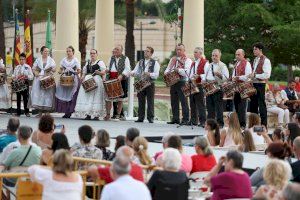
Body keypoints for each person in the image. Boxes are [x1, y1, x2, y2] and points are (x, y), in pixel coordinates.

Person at [75, 49, 106, 120]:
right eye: (91, 53)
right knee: (87, 97)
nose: (92, 55)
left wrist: (99, 73)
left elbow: (104, 72)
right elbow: (84, 72)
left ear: (96, 54)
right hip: (88, 81)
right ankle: (88, 114)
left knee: (96, 97)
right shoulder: (88, 62)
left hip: (97, 81)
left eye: (94, 53)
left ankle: (96, 115)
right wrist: (82, 78)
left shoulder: (100, 62)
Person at [164, 44, 192, 125]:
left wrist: (178, 70)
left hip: (182, 82)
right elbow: (167, 69)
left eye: (180, 49)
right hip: (173, 82)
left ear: (184, 51)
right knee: (174, 101)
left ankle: (185, 119)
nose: (178, 51)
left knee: (183, 101)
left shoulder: (187, 60)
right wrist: (167, 73)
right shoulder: (173, 59)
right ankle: (175, 118)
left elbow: (187, 71)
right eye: (177, 49)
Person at [131, 46, 160, 123]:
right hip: (141, 83)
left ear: (151, 53)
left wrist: (149, 74)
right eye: (145, 51)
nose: (145, 52)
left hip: (150, 83)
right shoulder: (140, 62)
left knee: (150, 101)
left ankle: (150, 118)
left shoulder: (155, 62)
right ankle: (140, 117)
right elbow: (136, 71)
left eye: (147, 51)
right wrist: (132, 73)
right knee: (140, 100)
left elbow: (156, 75)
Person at [105, 45, 131, 120]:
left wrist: (122, 75)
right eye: (115, 49)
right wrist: (107, 70)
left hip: (121, 80)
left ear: (121, 51)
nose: (115, 50)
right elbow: (108, 67)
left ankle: (118, 115)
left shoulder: (125, 58)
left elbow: (128, 69)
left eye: (117, 49)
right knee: (109, 98)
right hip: (111, 79)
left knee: (120, 99)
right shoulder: (111, 58)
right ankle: (108, 115)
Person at [204, 49, 229, 128]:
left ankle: (220, 124)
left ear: (219, 56)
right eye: (213, 55)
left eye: (216, 56)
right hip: (209, 88)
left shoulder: (223, 65)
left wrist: (219, 75)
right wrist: (204, 81)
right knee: (209, 107)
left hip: (218, 88)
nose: (214, 57)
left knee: (218, 107)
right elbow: (206, 75)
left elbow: (226, 78)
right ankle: (210, 124)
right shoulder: (209, 65)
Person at [249, 42, 272, 127]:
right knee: (253, 106)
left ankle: (263, 126)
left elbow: (267, 75)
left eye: (255, 49)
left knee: (261, 105)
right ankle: (253, 126)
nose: (254, 51)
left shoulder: (266, 60)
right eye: (253, 49)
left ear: (260, 50)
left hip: (261, 85)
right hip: (254, 84)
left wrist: (255, 75)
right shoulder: (255, 60)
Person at [55, 46, 81, 118]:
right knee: (64, 95)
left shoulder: (75, 60)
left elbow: (79, 70)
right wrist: (59, 72)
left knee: (71, 95)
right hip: (64, 79)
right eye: (67, 51)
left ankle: (70, 111)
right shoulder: (64, 60)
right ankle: (66, 112)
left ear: (73, 52)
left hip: (73, 79)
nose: (68, 52)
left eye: (69, 51)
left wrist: (75, 73)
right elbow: (61, 69)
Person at [30, 46, 56, 115]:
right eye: (45, 51)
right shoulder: (38, 60)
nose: (46, 52)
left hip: (48, 79)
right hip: (39, 79)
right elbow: (34, 68)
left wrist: (52, 70)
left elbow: (54, 69)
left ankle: (47, 112)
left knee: (48, 95)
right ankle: (40, 112)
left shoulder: (51, 60)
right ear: (41, 52)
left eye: (47, 51)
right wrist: (36, 73)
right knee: (39, 95)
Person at [188, 47, 209, 127]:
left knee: (200, 104)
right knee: (192, 103)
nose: (194, 54)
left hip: (199, 85)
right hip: (192, 85)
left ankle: (203, 121)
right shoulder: (193, 63)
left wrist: (199, 76)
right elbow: (190, 73)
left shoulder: (205, 62)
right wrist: (190, 78)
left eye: (196, 52)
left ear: (200, 54)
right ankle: (193, 120)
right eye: (194, 52)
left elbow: (206, 74)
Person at [232, 49, 252, 128]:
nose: (237, 56)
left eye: (238, 54)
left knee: (242, 107)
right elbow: (234, 74)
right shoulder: (236, 63)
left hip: (243, 88)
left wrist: (238, 77)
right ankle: (237, 124)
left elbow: (248, 76)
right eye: (236, 54)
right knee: (236, 106)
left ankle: (242, 125)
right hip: (236, 87)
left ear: (243, 55)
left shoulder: (247, 63)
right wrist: (233, 78)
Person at [12, 53, 33, 117]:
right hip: (18, 84)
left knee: (25, 98)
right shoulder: (17, 67)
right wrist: (14, 77)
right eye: (20, 59)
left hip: (25, 83)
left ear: (25, 59)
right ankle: (18, 112)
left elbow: (31, 76)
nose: (21, 60)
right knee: (18, 98)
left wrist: (26, 76)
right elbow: (13, 75)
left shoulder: (28, 67)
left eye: (23, 59)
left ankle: (27, 112)